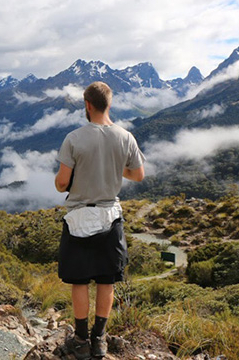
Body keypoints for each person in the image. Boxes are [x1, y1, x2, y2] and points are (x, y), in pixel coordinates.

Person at [55, 81, 145, 359]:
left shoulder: (74, 138)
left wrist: (68, 180)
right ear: (109, 103)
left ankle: (81, 341)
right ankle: (101, 339)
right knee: (107, 281)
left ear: (88, 105)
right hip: (110, 216)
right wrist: (116, 172)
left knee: (79, 281)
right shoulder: (125, 137)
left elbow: (61, 184)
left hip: (80, 217)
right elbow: (138, 175)